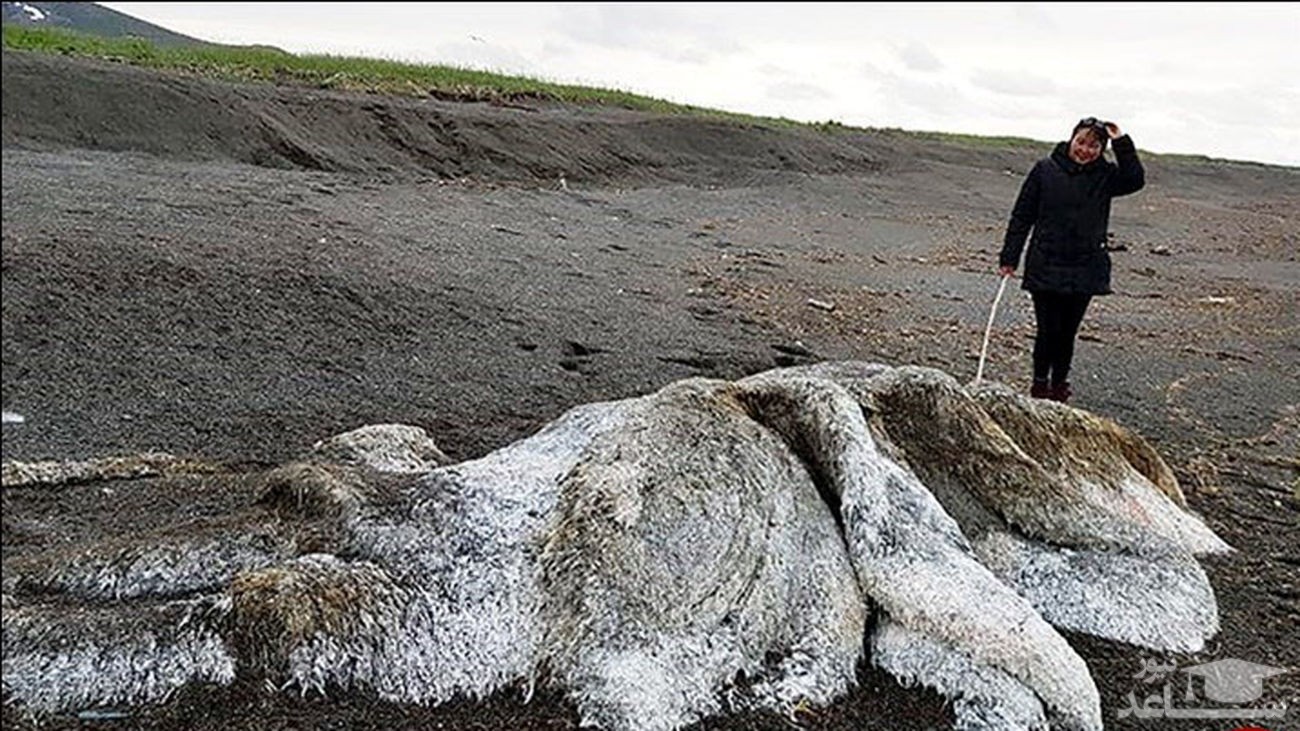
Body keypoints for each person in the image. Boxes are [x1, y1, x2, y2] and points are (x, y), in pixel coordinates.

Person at [998, 117, 1145, 402]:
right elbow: (1022, 216)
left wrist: (1121, 141)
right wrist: (1009, 257)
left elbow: (1135, 179)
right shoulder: (1044, 170)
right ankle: (1040, 384)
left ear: (1102, 149)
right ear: (1070, 140)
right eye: (1081, 142)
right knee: (1047, 330)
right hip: (1047, 262)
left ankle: (1059, 385)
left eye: (1094, 145)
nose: (1085, 150)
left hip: (1086, 265)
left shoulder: (1106, 176)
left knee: (1067, 332)